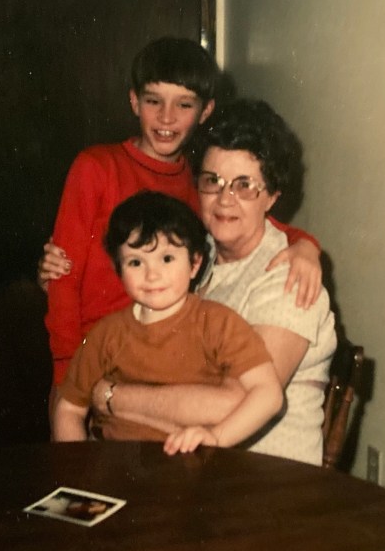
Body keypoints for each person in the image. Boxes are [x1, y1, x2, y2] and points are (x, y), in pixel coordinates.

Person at [43, 99, 337, 465]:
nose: (224, 199)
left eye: (244, 186)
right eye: (213, 181)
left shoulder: (287, 279)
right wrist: (61, 272)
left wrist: (108, 396)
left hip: (263, 479)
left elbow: (230, 404)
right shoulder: (198, 252)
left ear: (272, 197)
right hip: (184, 465)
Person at [44, 37, 323, 389]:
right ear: (134, 101)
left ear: (205, 111)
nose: (166, 117)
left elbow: (263, 220)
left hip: (158, 365)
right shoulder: (96, 168)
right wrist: (68, 376)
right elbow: (62, 281)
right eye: (153, 101)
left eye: (184, 105)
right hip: (93, 360)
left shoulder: (200, 185)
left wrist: (306, 247)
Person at [51, 190, 284, 457]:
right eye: (136, 262)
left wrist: (216, 437)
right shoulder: (106, 334)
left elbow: (269, 394)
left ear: (195, 264)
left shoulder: (218, 323)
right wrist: (77, 471)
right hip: (116, 467)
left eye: (167, 258)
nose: (152, 275)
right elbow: (68, 408)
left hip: (192, 467)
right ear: (119, 270)